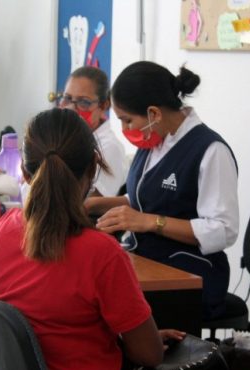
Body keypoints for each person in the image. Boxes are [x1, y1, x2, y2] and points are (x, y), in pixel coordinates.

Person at [0, 108, 250, 370]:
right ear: (93, 169)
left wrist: (130, 337)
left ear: (25, 171)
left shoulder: (2, 231)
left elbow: (52, 325)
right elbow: (150, 355)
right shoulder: (100, 252)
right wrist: (144, 337)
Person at [85, 61, 239, 321]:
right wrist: (93, 205)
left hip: (191, 274)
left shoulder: (210, 150)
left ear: (154, 113)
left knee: (107, 309)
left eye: (127, 120)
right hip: (148, 260)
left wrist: (150, 222)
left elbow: (223, 230)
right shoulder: (153, 141)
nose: (125, 130)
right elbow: (143, 199)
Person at [58, 66, 129, 196]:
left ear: (104, 105)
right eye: (67, 98)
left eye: (84, 102)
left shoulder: (109, 148)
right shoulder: (64, 138)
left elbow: (90, 201)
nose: (71, 108)